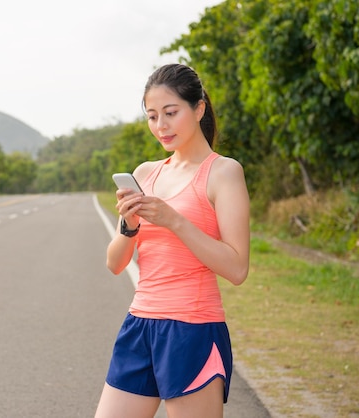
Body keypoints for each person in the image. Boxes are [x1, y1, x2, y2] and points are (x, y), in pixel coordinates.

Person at [95, 63, 250, 418]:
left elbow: (237, 268)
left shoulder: (223, 172)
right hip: (139, 325)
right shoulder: (145, 174)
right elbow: (115, 263)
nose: (160, 126)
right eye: (152, 116)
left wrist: (174, 221)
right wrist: (130, 226)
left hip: (192, 330)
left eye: (170, 113)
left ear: (198, 109)